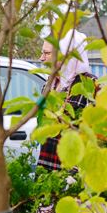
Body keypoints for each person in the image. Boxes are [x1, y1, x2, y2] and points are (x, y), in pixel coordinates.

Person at [38, 30, 98, 170]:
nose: (41, 58)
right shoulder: (49, 84)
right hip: (47, 169)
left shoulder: (89, 85)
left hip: (72, 174)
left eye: (47, 53)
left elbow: (97, 135)